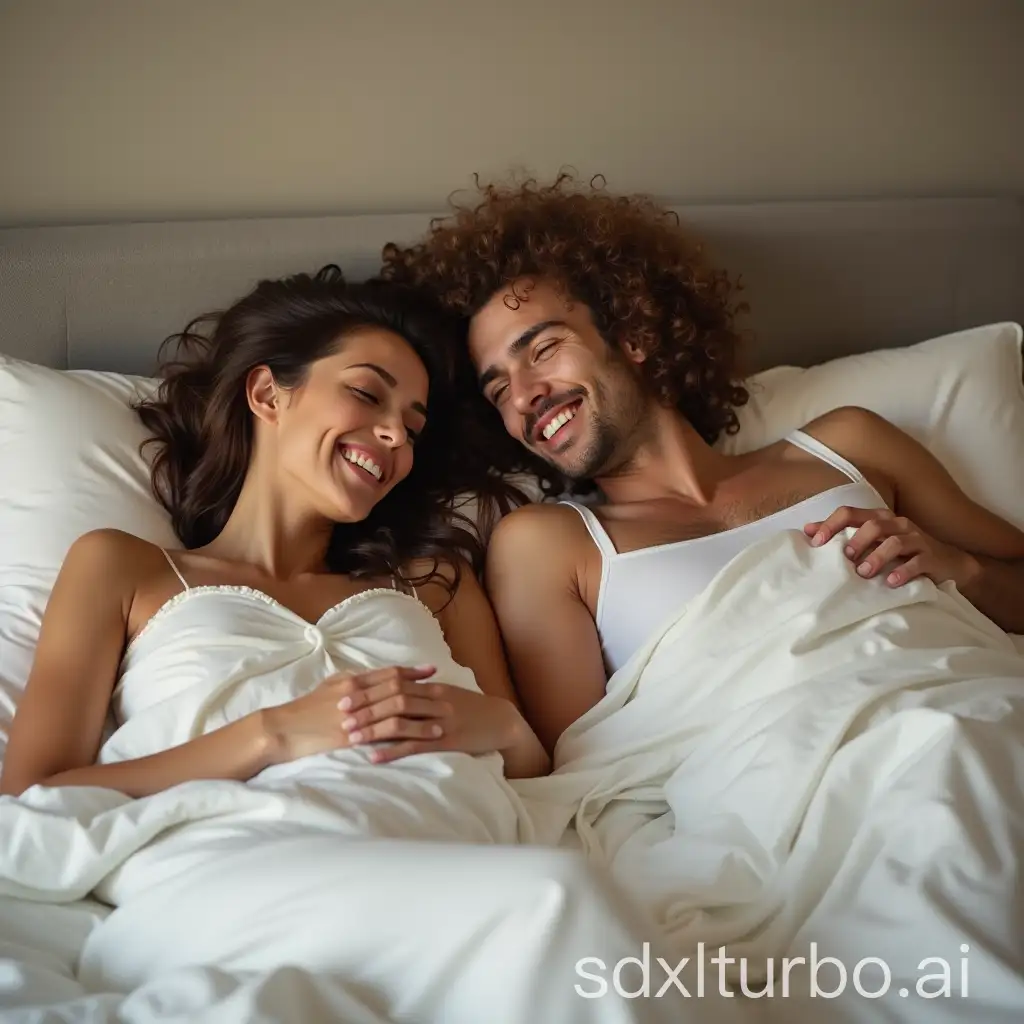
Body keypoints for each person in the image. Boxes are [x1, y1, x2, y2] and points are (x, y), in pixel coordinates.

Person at [380, 173, 1024, 754]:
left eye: (543, 349)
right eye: (498, 391)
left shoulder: (850, 445)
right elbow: (584, 771)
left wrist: (957, 569)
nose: (524, 396)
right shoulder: (548, 545)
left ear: (632, 333)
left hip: (972, 705)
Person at [0, 265, 549, 798]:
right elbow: (33, 794)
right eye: (365, 393)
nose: (394, 436)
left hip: (454, 847)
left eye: (412, 427)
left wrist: (500, 723)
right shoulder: (122, 568)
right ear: (267, 394)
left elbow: (535, 775)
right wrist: (270, 735)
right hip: (238, 861)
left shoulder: (434, 582)